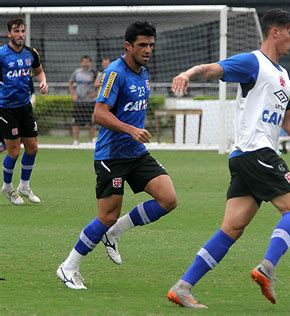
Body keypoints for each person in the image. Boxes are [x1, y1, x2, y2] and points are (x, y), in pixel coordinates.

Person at [167, 8, 290, 309]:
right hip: (258, 153)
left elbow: (287, 119)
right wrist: (188, 73)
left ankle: (183, 286)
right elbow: (215, 69)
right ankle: (267, 267)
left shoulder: (283, 77)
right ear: (274, 32)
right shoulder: (253, 63)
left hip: (243, 159)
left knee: (232, 228)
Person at [56, 21, 178, 290]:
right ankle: (68, 266)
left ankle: (114, 234)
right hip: (111, 156)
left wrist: (134, 134)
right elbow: (98, 113)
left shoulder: (144, 73)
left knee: (168, 199)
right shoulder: (115, 73)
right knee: (107, 215)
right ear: (128, 46)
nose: (148, 50)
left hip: (136, 153)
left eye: (151, 45)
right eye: (142, 45)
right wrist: (131, 129)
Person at [0, 18, 48, 205]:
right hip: (6, 108)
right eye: (16, 31)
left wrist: (43, 81)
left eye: (22, 31)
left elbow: (38, 71)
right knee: (13, 151)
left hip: (25, 107)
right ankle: (7, 187)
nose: (20, 34)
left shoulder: (31, 53)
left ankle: (24, 186)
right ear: (9, 34)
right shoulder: (2, 55)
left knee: (33, 148)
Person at [68, 55, 97, 145]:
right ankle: (75, 141)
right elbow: (70, 83)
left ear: (90, 63)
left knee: (92, 122)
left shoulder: (93, 73)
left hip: (90, 101)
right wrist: (73, 94)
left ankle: (91, 141)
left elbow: (100, 84)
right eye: (84, 61)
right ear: (81, 62)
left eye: (88, 61)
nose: (86, 63)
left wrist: (95, 93)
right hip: (79, 101)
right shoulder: (77, 72)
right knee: (76, 122)